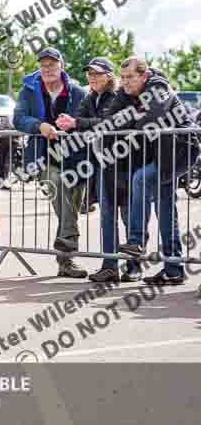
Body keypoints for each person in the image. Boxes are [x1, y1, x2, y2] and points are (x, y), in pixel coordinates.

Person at [103, 57, 199, 285]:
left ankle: (136, 241)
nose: (125, 82)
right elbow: (109, 122)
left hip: (180, 151)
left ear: (144, 76)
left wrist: (130, 118)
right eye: (123, 77)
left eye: (130, 77)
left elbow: (152, 118)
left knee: (140, 178)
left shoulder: (158, 86)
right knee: (166, 209)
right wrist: (131, 116)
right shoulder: (126, 94)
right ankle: (174, 269)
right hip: (161, 155)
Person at [56, 57, 137, 282]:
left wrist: (76, 124)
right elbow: (81, 121)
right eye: (90, 74)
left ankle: (134, 266)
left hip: (123, 164)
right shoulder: (91, 96)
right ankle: (110, 265)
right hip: (102, 164)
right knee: (107, 216)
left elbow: (105, 123)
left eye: (97, 74)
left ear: (110, 76)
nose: (92, 78)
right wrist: (70, 123)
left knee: (128, 215)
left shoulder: (118, 96)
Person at [13, 47, 89, 278]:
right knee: (58, 184)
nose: (47, 68)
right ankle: (68, 253)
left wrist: (74, 123)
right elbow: (18, 119)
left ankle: (66, 263)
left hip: (75, 158)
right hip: (42, 158)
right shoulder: (28, 90)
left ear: (61, 66)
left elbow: (86, 120)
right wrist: (39, 126)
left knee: (70, 209)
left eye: (52, 64)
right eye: (43, 64)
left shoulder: (78, 92)